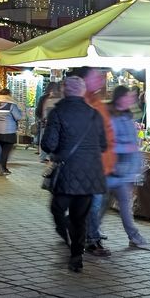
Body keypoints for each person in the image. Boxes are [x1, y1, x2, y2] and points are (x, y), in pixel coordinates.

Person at [41, 76, 106, 273]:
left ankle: (67, 234)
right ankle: (76, 256)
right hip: (90, 172)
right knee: (81, 217)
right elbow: (103, 145)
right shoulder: (95, 115)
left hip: (67, 172)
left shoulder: (58, 112)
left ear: (65, 90)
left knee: (58, 209)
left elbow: (48, 144)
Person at [104, 86, 149, 250]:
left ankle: (134, 236)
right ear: (120, 98)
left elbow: (134, 146)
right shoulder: (112, 118)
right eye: (128, 97)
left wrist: (136, 168)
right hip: (112, 169)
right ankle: (87, 232)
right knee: (99, 207)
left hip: (123, 171)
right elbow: (109, 143)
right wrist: (126, 149)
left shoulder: (127, 117)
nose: (131, 99)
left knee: (123, 205)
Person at [79, 69, 115, 258]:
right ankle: (92, 240)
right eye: (96, 76)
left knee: (94, 203)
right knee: (93, 204)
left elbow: (108, 134)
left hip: (101, 164)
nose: (101, 80)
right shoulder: (81, 103)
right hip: (89, 164)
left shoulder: (97, 103)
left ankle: (85, 235)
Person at [0, 88, 22, 176]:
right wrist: (20, 111)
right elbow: (18, 117)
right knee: (6, 150)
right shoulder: (11, 106)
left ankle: (4, 168)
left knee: (3, 149)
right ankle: (1, 166)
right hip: (9, 131)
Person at [36, 81, 63, 161]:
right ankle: (49, 155)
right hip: (55, 122)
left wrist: (41, 118)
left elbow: (39, 110)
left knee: (44, 138)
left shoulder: (44, 98)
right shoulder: (61, 98)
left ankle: (43, 156)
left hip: (45, 121)